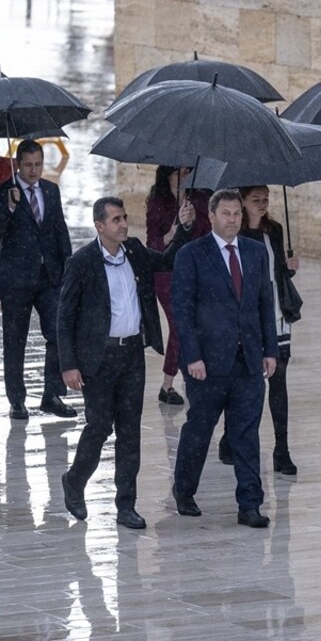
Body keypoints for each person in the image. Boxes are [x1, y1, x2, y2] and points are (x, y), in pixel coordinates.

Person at [58, 196, 194, 530]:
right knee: (100, 426)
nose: (123, 224)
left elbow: (166, 261)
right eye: (116, 219)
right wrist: (68, 365)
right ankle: (75, 480)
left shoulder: (133, 250)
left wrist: (184, 230)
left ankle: (126, 505)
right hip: (98, 358)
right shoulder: (82, 262)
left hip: (132, 354)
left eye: (124, 218)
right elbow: (64, 317)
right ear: (99, 226)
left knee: (130, 432)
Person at [170, 189, 279, 528]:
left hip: (248, 361)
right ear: (212, 217)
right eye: (226, 214)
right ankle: (184, 490)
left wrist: (270, 350)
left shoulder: (256, 252)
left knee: (246, 433)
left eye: (237, 214)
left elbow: (264, 303)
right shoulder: (192, 254)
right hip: (207, 363)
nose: (233, 219)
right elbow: (182, 311)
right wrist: (192, 357)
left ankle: (250, 504)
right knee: (200, 429)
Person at [0, 139, 75, 421]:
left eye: (38, 164)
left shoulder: (51, 190)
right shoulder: (4, 193)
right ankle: (17, 400)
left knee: (58, 334)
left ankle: (51, 394)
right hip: (16, 280)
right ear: (18, 164)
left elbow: (60, 231)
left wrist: (69, 271)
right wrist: (10, 208)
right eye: (28, 165)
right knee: (15, 341)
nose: (33, 170)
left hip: (49, 277)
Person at [218, 185, 301, 475]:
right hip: (246, 316)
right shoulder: (234, 236)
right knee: (241, 381)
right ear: (242, 202)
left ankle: (282, 448)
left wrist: (289, 267)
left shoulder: (275, 230)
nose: (263, 204)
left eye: (266, 199)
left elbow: (275, 271)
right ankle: (231, 437)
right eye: (256, 200)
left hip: (277, 313)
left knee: (279, 383)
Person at [145, 165, 211, 406]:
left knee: (193, 323)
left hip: (194, 270)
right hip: (165, 271)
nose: (185, 176)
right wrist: (171, 233)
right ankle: (168, 382)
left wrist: (191, 224)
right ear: (168, 174)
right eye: (179, 172)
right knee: (179, 324)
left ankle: (187, 375)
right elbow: (152, 241)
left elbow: (206, 233)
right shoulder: (157, 200)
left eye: (188, 171)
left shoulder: (200, 199)